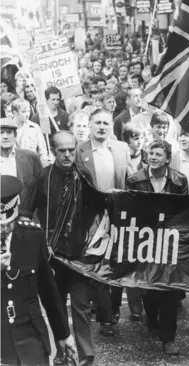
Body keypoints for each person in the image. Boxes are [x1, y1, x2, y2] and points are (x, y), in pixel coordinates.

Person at [18, 131, 94, 365]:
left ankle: (86, 354)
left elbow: (96, 209)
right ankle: (62, 352)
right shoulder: (43, 177)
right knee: (57, 305)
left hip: (80, 253)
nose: (68, 155)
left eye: (72, 150)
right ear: (53, 151)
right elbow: (25, 213)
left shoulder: (84, 175)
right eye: (62, 151)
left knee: (81, 305)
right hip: (52, 255)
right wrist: (38, 242)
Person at [1, 175, 77, 366]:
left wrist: (63, 335)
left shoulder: (33, 236)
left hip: (30, 335)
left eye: (8, 223)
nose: (4, 230)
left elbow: (48, 289)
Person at [126, 139, 188, 356]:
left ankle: (169, 338)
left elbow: (184, 211)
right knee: (149, 289)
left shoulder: (180, 181)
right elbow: (129, 209)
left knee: (169, 289)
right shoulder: (134, 180)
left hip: (170, 241)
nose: (153, 157)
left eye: (158, 154)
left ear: (168, 159)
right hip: (145, 241)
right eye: (151, 153)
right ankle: (151, 317)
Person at [76, 109, 135, 335]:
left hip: (118, 215)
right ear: (89, 125)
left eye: (106, 123)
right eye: (97, 123)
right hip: (91, 217)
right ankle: (105, 318)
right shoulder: (79, 150)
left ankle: (114, 308)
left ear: (111, 126)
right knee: (97, 264)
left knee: (117, 263)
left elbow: (131, 180)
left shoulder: (121, 148)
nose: (102, 127)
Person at [0, 118, 42, 201]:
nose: (5, 137)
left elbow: (41, 187)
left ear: (15, 135)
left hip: (24, 210)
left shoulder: (30, 157)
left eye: (9, 132)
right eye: (1, 133)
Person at [11, 98, 49, 167]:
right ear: (15, 113)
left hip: (32, 168)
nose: (27, 114)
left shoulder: (34, 127)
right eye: (23, 111)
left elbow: (42, 151)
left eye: (28, 111)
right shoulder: (6, 128)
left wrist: (45, 169)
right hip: (13, 168)